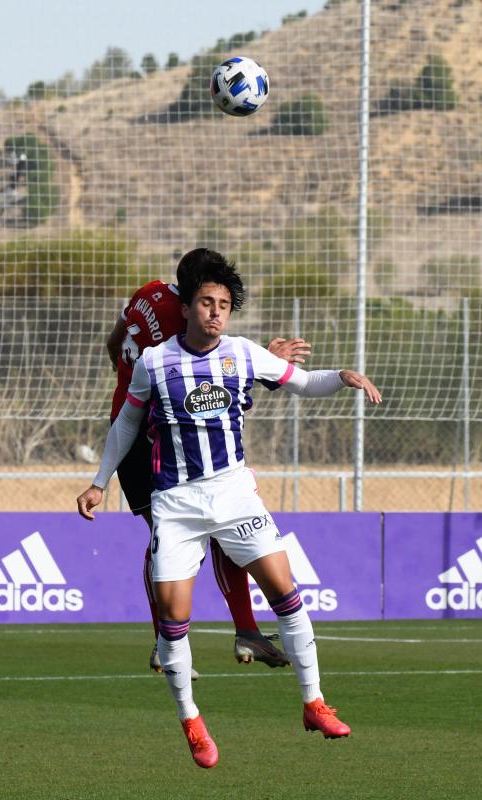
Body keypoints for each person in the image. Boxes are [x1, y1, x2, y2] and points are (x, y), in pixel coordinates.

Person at [78, 249, 382, 769]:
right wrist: (98, 482)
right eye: (206, 303)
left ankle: (313, 703)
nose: (215, 312)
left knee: (286, 593)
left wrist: (343, 376)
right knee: (175, 618)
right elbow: (127, 423)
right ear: (188, 306)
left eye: (223, 304)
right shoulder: (156, 362)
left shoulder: (243, 353)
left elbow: (303, 381)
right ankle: (192, 722)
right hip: (176, 501)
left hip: (235, 494)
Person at [104, 261, 311, 675]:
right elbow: (200, 381)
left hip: (150, 431)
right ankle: (166, 641)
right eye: (206, 296)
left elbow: (115, 342)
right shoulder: (173, 320)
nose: (214, 309)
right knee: (170, 536)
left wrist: (123, 379)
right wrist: (266, 369)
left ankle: (245, 631)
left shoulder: (150, 292)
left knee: (222, 528)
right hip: (151, 441)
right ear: (190, 296)